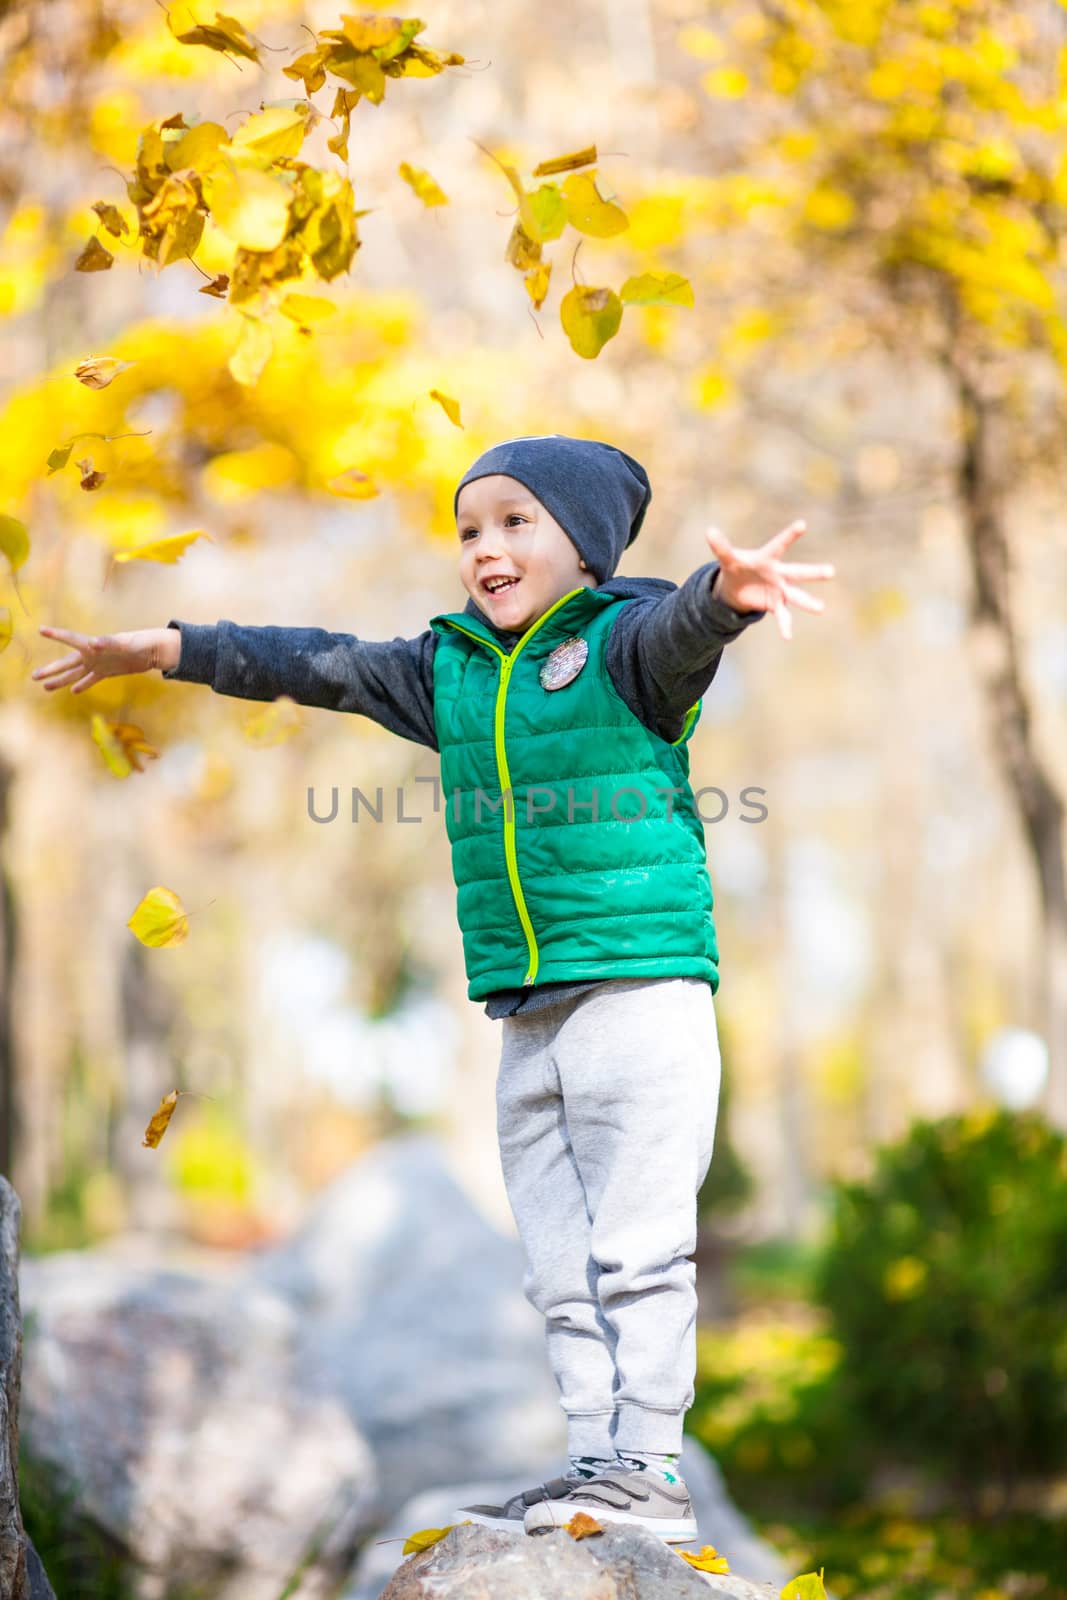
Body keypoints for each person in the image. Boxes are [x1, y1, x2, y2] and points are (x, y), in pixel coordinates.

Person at [31, 433, 834, 1543]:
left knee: (639, 1254)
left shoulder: (625, 649)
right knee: (557, 1269)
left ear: (587, 546)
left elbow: (681, 628)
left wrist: (726, 595)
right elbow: (309, 660)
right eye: (469, 529)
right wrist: (166, 648)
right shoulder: (447, 671)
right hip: (523, 1009)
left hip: (641, 997)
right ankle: (596, 1462)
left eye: (516, 522)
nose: (486, 549)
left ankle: (651, 1461)